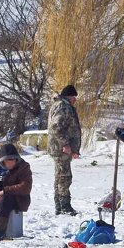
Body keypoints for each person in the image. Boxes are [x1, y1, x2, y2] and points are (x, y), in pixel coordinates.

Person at [47, 84, 81, 215]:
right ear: (68, 96)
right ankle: (64, 207)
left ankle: (60, 206)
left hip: (59, 148)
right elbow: (56, 127)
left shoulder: (60, 105)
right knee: (64, 177)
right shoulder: (63, 106)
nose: (75, 100)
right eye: (73, 97)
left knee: (60, 176)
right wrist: (66, 144)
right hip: (61, 149)